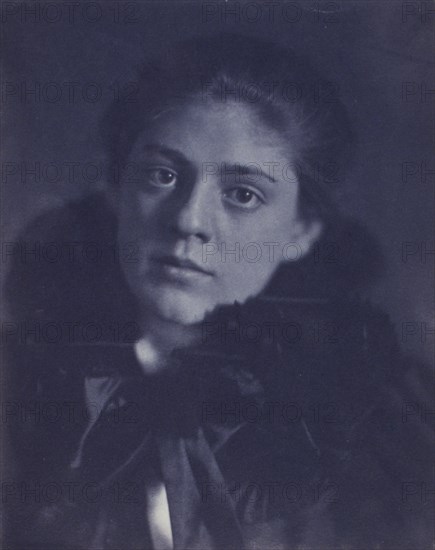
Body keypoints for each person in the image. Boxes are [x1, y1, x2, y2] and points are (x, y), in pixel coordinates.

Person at [4, 33, 432, 549]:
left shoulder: (382, 428)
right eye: (162, 176)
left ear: (301, 232)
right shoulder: (22, 388)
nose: (188, 220)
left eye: (243, 194)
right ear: (117, 190)